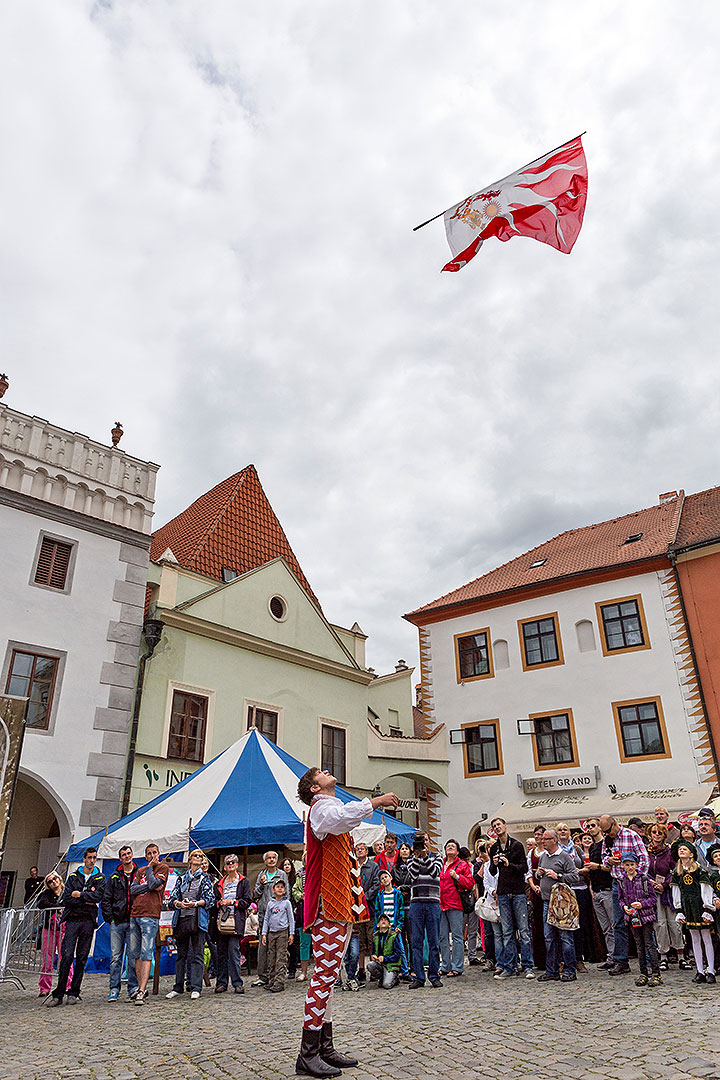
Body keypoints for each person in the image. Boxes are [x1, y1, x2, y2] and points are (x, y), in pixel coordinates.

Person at [295, 765, 399, 1078]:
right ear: (314, 788)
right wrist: (376, 802)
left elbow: (346, 817)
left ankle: (323, 1048)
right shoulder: (320, 809)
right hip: (329, 905)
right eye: (321, 772)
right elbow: (341, 818)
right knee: (323, 976)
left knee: (328, 976)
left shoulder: (332, 807)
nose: (328, 771)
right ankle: (308, 1053)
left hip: (338, 904)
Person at [45, 847, 105, 1006]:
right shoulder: (73, 876)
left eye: (94, 857)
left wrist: (81, 895)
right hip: (72, 919)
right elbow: (67, 898)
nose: (92, 860)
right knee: (67, 956)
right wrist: (86, 899)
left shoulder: (99, 877)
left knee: (82, 957)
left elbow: (98, 896)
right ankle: (58, 993)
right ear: (84, 859)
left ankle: (74, 991)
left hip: (88, 921)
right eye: (89, 857)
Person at [598, 814, 649, 976]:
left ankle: (648, 959)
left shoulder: (631, 835)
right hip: (617, 883)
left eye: (608, 831)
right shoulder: (607, 839)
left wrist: (637, 877)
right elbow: (603, 858)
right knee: (618, 923)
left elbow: (644, 858)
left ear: (614, 824)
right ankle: (621, 961)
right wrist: (609, 861)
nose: (608, 834)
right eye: (604, 832)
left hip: (633, 883)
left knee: (642, 920)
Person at [488, 816, 534, 979]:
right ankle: (510, 966)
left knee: (523, 931)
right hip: (503, 891)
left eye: (499, 825)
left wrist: (509, 864)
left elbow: (524, 868)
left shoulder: (516, 845)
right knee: (506, 932)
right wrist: (494, 863)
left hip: (517, 891)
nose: (497, 828)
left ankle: (528, 965)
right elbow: (492, 872)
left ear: (505, 826)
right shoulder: (493, 848)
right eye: (494, 826)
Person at [166, 849, 214, 1000]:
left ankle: (196, 987)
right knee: (181, 955)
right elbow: (172, 898)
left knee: (197, 955)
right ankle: (178, 986)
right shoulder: (181, 878)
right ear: (190, 859)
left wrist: (195, 903)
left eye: (200, 856)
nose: (198, 858)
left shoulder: (205, 879)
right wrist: (178, 903)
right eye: (195, 855)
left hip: (197, 920)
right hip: (182, 919)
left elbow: (210, 899)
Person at [128, 842, 170, 1005]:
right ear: (145, 856)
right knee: (135, 953)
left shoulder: (162, 869)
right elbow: (133, 890)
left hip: (150, 914)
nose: (152, 855)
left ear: (158, 854)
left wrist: (151, 870)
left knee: (146, 952)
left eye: (154, 852)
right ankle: (141, 988)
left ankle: (141, 990)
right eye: (149, 853)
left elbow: (154, 884)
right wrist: (147, 887)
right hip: (135, 913)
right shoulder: (139, 871)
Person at [536, 829, 579, 983]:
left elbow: (574, 876)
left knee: (565, 937)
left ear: (554, 840)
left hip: (562, 903)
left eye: (546, 839)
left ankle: (569, 970)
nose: (542, 841)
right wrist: (539, 874)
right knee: (549, 938)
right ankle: (552, 970)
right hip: (547, 901)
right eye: (542, 839)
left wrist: (558, 876)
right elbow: (536, 875)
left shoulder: (564, 857)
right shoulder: (543, 857)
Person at [670, 839, 716, 984]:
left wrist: (707, 908)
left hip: (700, 907)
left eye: (684, 849)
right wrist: (679, 910)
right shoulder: (676, 873)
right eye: (680, 849)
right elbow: (676, 892)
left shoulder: (699, 870)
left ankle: (711, 970)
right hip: (687, 908)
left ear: (691, 854)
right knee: (694, 939)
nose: (681, 851)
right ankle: (700, 971)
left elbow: (706, 889)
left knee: (706, 937)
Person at [403, 831, 443, 990]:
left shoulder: (437, 856)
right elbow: (412, 874)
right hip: (417, 903)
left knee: (434, 941)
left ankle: (434, 976)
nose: (423, 843)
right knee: (416, 942)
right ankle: (418, 977)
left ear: (429, 841)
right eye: (420, 841)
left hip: (433, 902)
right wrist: (417, 857)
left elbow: (435, 873)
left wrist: (425, 856)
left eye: (425, 840)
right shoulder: (413, 858)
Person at [617, 852, 662, 987]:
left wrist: (642, 904)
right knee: (639, 945)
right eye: (627, 865)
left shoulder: (643, 879)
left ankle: (656, 973)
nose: (630, 867)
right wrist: (624, 907)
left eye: (632, 864)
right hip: (632, 917)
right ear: (623, 866)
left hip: (645, 916)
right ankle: (643, 972)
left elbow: (653, 898)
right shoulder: (621, 880)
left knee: (649, 944)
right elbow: (620, 899)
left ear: (636, 865)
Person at [101, 845, 139, 1002]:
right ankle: (114, 988)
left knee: (132, 957)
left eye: (128, 853)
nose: (126, 856)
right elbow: (106, 899)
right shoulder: (114, 877)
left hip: (133, 921)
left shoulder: (139, 874)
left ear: (132, 855)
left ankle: (133, 988)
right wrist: (110, 918)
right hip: (117, 921)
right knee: (116, 957)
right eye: (123, 854)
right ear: (120, 858)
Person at [646, 823, 685, 971]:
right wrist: (652, 883)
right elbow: (643, 869)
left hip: (668, 892)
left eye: (660, 833)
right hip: (653, 891)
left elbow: (676, 870)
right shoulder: (646, 852)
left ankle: (681, 955)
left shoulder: (669, 852)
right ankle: (663, 956)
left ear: (664, 836)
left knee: (674, 923)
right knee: (659, 924)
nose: (656, 835)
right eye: (654, 832)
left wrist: (665, 884)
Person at [214, 852, 251, 995]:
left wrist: (233, 902)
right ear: (224, 867)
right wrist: (220, 903)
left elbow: (247, 901)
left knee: (234, 952)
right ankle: (221, 982)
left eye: (232, 863)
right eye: (228, 863)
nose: (230, 865)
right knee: (221, 953)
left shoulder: (243, 882)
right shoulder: (219, 883)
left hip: (235, 922)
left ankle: (237, 982)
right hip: (221, 923)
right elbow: (214, 902)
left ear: (237, 865)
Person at [252, 852, 289, 988]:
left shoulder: (282, 875)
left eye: (274, 858)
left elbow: (287, 895)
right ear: (265, 861)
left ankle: (278, 978)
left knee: (279, 950)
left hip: (279, 918)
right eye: (269, 858)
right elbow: (255, 895)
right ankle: (263, 976)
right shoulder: (261, 875)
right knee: (264, 948)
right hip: (264, 916)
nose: (271, 860)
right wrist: (261, 885)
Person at [583, 818, 614, 970]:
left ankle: (618, 957)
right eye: (588, 826)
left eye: (593, 826)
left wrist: (598, 866)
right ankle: (611, 956)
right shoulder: (593, 847)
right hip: (596, 890)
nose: (590, 828)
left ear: (600, 827)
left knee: (614, 925)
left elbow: (612, 867)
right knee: (605, 928)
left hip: (608, 889)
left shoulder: (607, 844)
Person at [439, 839, 473, 977]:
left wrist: (457, 877)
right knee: (443, 937)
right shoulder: (440, 863)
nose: (450, 848)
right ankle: (445, 965)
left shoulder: (462, 865)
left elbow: (470, 883)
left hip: (455, 904)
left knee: (457, 936)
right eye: (448, 846)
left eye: (453, 846)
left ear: (458, 851)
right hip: (441, 905)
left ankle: (457, 966)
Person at [37, 870, 67, 998]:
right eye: (50, 881)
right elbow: (42, 903)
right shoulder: (46, 894)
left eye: (54, 879)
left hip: (63, 929)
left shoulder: (67, 893)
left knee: (65, 958)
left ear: (59, 879)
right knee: (47, 959)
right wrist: (57, 907)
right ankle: (45, 987)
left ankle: (67, 985)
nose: (53, 882)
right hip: (49, 929)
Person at [262, 878, 295, 992]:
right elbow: (266, 919)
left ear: (285, 890)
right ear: (273, 890)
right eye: (278, 887)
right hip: (272, 932)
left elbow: (291, 919)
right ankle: (271, 980)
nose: (280, 889)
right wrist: (264, 933)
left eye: (282, 887)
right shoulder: (270, 904)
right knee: (271, 957)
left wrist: (291, 933)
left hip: (282, 932)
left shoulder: (287, 903)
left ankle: (279, 981)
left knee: (281, 957)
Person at [526, 826, 547, 972]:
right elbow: (528, 872)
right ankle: (539, 959)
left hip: (546, 887)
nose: (538, 837)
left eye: (540, 834)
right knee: (537, 925)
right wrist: (533, 885)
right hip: (535, 888)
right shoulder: (531, 853)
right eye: (536, 834)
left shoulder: (547, 852)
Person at [366, 913, 402, 988]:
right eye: (381, 920)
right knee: (370, 965)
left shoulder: (393, 936)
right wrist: (373, 956)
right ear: (378, 925)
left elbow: (398, 955)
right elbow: (372, 951)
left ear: (389, 925)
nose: (383, 921)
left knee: (387, 985)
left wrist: (385, 959)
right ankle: (382, 977)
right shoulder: (375, 936)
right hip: (380, 964)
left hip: (391, 965)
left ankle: (395, 977)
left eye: (386, 920)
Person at [292, 856, 312, 983]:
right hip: (303, 911)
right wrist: (300, 896)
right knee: (304, 943)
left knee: (319, 943)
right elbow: (294, 890)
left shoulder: (318, 871)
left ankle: (320, 971)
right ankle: (304, 972)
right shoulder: (299, 874)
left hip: (317, 910)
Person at [283, 858, 299, 980]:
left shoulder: (295, 879)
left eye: (289, 864)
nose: (287, 866)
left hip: (293, 912)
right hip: (281, 914)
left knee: (293, 942)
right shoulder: (280, 880)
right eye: (285, 865)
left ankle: (292, 968)